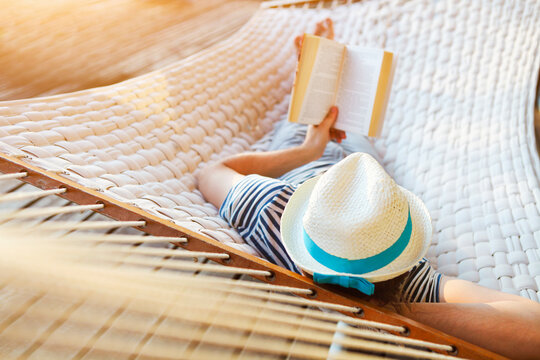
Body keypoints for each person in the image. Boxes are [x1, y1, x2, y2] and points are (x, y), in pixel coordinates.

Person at [196, 19, 540, 360]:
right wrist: (395, 313)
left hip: (300, 162)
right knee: (347, 117)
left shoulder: (272, 208)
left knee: (311, 111)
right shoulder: (406, 281)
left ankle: (315, 61)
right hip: (361, 167)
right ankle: (321, 57)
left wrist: (307, 151)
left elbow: (212, 171)